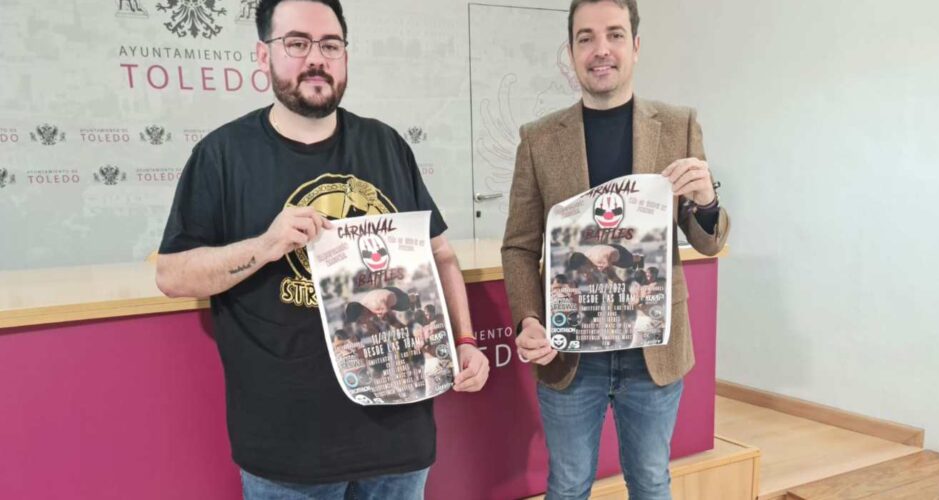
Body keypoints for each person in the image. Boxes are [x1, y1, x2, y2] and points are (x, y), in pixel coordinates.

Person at [155, 1, 488, 498]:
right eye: (297, 43)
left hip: (399, 435)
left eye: (330, 45)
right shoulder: (222, 155)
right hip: (288, 448)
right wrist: (265, 246)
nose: (317, 58)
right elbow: (172, 275)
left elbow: (439, 253)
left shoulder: (387, 145)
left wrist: (465, 340)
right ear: (263, 56)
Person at [501, 1, 730, 498]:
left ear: (636, 46)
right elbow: (519, 246)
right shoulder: (538, 140)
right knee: (566, 485)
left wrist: (707, 200)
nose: (600, 49)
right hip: (570, 352)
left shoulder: (678, 126)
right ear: (571, 52)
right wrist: (527, 319)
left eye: (615, 35)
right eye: (586, 38)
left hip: (652, 350)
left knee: (651, 482)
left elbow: (709, 241)